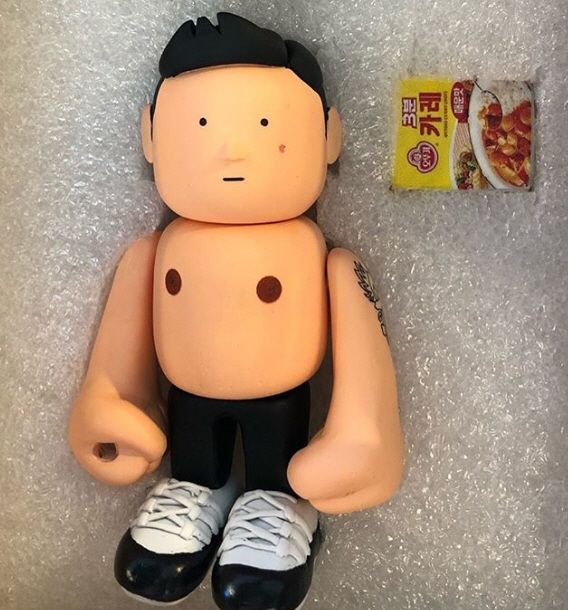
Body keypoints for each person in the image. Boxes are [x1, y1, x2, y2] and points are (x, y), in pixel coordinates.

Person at [68, 12, 403, 610]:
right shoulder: (155, 251)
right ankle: (201, 487)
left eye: (265, 123)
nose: (233, 148)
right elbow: (121, 347)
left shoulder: (318, 255)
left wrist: (365, 432)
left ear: (329, 137)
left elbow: (363, 346)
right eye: (201, 124)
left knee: (282, 463)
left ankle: (277, 503)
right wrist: (108, 400)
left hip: (284, 405)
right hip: (186, 401)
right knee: (193, 453)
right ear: (151, 137)